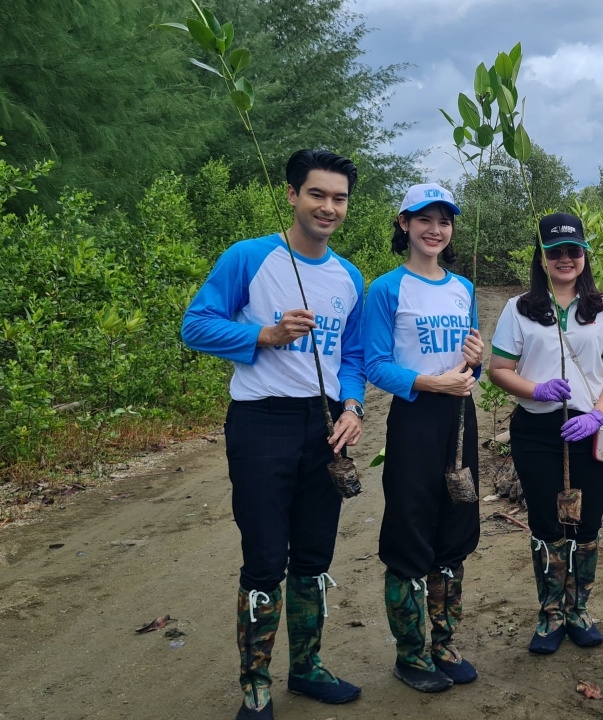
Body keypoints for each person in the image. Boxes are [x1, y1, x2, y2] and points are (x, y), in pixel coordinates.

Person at [182, 149, 365, 719]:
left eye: (338, 198)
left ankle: (307, 668)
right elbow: (196, 324)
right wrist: (266, 333)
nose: (328, 207)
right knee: (264, 558)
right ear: (292, 195)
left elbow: (353, 353)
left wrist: (353, 406)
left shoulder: (348, 275)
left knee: (314, 554)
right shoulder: (250, 258)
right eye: (317, 194)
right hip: (261, 422)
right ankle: (255, 684)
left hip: (325, 424)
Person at [488, 213, 603, 654]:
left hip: (591, 426)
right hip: (537, 428)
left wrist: (598, 414)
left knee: (586, 522)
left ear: (584, 255)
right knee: (547, 521)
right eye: (555, 251)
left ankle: (579, 610)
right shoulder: (520, 308)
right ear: (543, 258)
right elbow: (498, 370)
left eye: (573, 250)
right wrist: (537, 388)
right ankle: (551, 615)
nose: (565, 258)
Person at [364, 183, 484, 693]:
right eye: (424, 220)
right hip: (415, 416)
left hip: (460, 415)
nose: (435, 230)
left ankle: (444, 642)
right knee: (410, 528)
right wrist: (432, 382)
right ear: (404, 224)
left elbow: (472, 356)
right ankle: (410, 654)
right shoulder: (386, 289)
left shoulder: (463, 288)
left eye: (444, 221)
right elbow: (373, 364)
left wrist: (474, 360)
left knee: (455, 526)